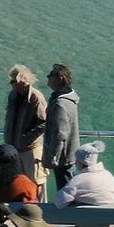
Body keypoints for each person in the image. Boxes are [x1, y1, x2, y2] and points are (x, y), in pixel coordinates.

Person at [4, 65, 48, 188]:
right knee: (19, 183)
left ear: (23, 82)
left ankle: (39, 206)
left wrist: (27, 137)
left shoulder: (36, 98)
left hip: (31, 149)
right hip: (15, 147)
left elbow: (44, 122)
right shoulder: (13, 96)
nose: (11, 84)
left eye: (14, 81)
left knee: (35, 182)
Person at [42, 63, 81, 191]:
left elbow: (60, 133)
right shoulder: (70, 99)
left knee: (66, 194)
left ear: (60, 78)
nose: (48, 80)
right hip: (70, 154)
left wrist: (53, 155)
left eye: (50, 76)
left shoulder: (60, 103)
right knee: (70, 189)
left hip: (62, 158)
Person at [55, 141, 114, 208]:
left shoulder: (78, 180)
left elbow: (60, 202)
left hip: (88, 216)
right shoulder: (108, 175)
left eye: (77, 160)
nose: (75, 163)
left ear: (81, 162)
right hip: (113, 214)